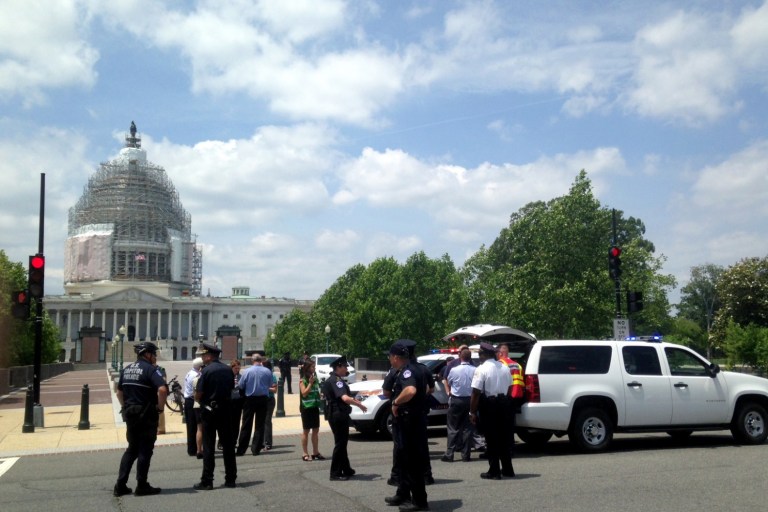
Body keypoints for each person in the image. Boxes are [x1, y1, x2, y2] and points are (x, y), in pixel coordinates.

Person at [113, 342, 167, 497]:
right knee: (145, 450)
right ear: (147, 354)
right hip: (146, 415)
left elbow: (119, 393)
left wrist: (125, 407)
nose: (155, 357)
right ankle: (142, 485)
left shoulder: (127, 369)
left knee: (131, 450)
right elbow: (162, 389)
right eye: (154, 354)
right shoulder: (150, 370)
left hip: (130, 414)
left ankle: (120, 485)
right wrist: (160, 408)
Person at [384, 342, 430, 512]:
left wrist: (396, 402)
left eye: (390, 356)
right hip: (411, 421)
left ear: (396, 357)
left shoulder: (408, 371)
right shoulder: (416, 368)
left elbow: (410, 391)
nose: (389, 359)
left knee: (412, 461)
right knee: (403, 459)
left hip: (409, 422)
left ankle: (419, 501)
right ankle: (403, 493)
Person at [194, 343, 237, 490]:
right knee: (228, 446)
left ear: (209, 356)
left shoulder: (206, 371)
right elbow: (231, 388)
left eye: (203, 355)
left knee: (209, 447)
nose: (202, 358)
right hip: (226, 410)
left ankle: (207, 480)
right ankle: (231, 478)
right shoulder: (228, 370)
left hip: (209, 411)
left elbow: (198, 394)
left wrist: (200, 399)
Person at [469, 342, 515, 480]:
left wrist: (472, 412)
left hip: (490, 405)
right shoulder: (504, 367)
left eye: (480, 354)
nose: (479, 357)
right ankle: (507, 469)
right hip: (504, 404)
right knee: (504, 437)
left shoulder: (481, 369)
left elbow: (476, 392)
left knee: (491, 438)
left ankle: (494, 471)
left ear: (483, 354)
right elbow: (510, 388)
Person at [322, 355, 367, 481]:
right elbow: (345, 398)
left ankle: (346, 468)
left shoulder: (333, 379)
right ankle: (335, 473)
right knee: (340, 444)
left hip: (336, 414)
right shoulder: (336, 380)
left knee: (342, 443)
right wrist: (359, 404)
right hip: (338, 415)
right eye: (345, 366)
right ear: (339, 367)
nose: (347, 368)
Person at [442, 348, 476, 462]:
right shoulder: (476, 370)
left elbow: (449, 382)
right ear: (470, 358)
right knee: (468, 428)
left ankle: (449, 454)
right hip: (470, 400)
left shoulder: (454, 370)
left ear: (460, 357)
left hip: (456, 400)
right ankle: (466, 455)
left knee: (453, 428)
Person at [236, 353, 274, 456]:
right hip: (263, 399)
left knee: (246, 424)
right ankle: (256, 449)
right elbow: (271, 384)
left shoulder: (247, 371)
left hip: (250, 399)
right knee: (260, 425)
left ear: (252, 361)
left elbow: (241, 385)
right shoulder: (267, 371)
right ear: (261, 360)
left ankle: (241, 449)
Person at [299, 359, 324, 461]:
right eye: (313, 367)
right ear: (307, 368)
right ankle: (305, 453)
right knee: (306, 430)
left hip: (315, 407)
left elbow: (317, 391)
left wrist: (321, 395)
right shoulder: (302, 380)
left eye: (314, 367)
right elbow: (304, 393)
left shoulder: (315, 379)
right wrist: (310, 383)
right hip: (306, 408)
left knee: (316, 430)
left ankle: (315, 452)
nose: (314, 368)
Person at [184, 357, 204, 457]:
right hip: (193, 400)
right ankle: (194, 449)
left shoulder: (189, 373)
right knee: (195, 426)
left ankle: (191, 448)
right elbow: (196, 391)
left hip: (188, 400)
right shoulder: (196, 375)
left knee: (190, 426)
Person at [227, 359, 243, 450]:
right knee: (228, 422)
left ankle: (234, 441)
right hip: (229, 401)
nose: (237, 370)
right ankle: (226, 440)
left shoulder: (241, 377)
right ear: (232, 367)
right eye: (236, 368)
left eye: (239, 368)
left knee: (236, 422)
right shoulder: (228, 376)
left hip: (237, 402)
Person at [263, 358, 278, 450]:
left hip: (269, 400)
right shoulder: (262, 375)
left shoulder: (272, 376)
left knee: (267, 421)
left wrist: (265, 388)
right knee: (261, 421)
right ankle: (262, 441)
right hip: (261, 399)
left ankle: (268, 442)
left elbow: (275, 390)